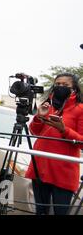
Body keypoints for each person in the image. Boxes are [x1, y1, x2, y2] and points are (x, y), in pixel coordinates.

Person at [26, 73, 83, 215]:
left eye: (65, 85)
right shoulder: (48, 105)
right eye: (57, 84)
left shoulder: (80, 109)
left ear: (74, 88)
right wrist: (39, 116)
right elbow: (34, 132)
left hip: (63, 171)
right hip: (40, 166)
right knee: (41, 211)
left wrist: (64, 130)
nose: (60, 87)